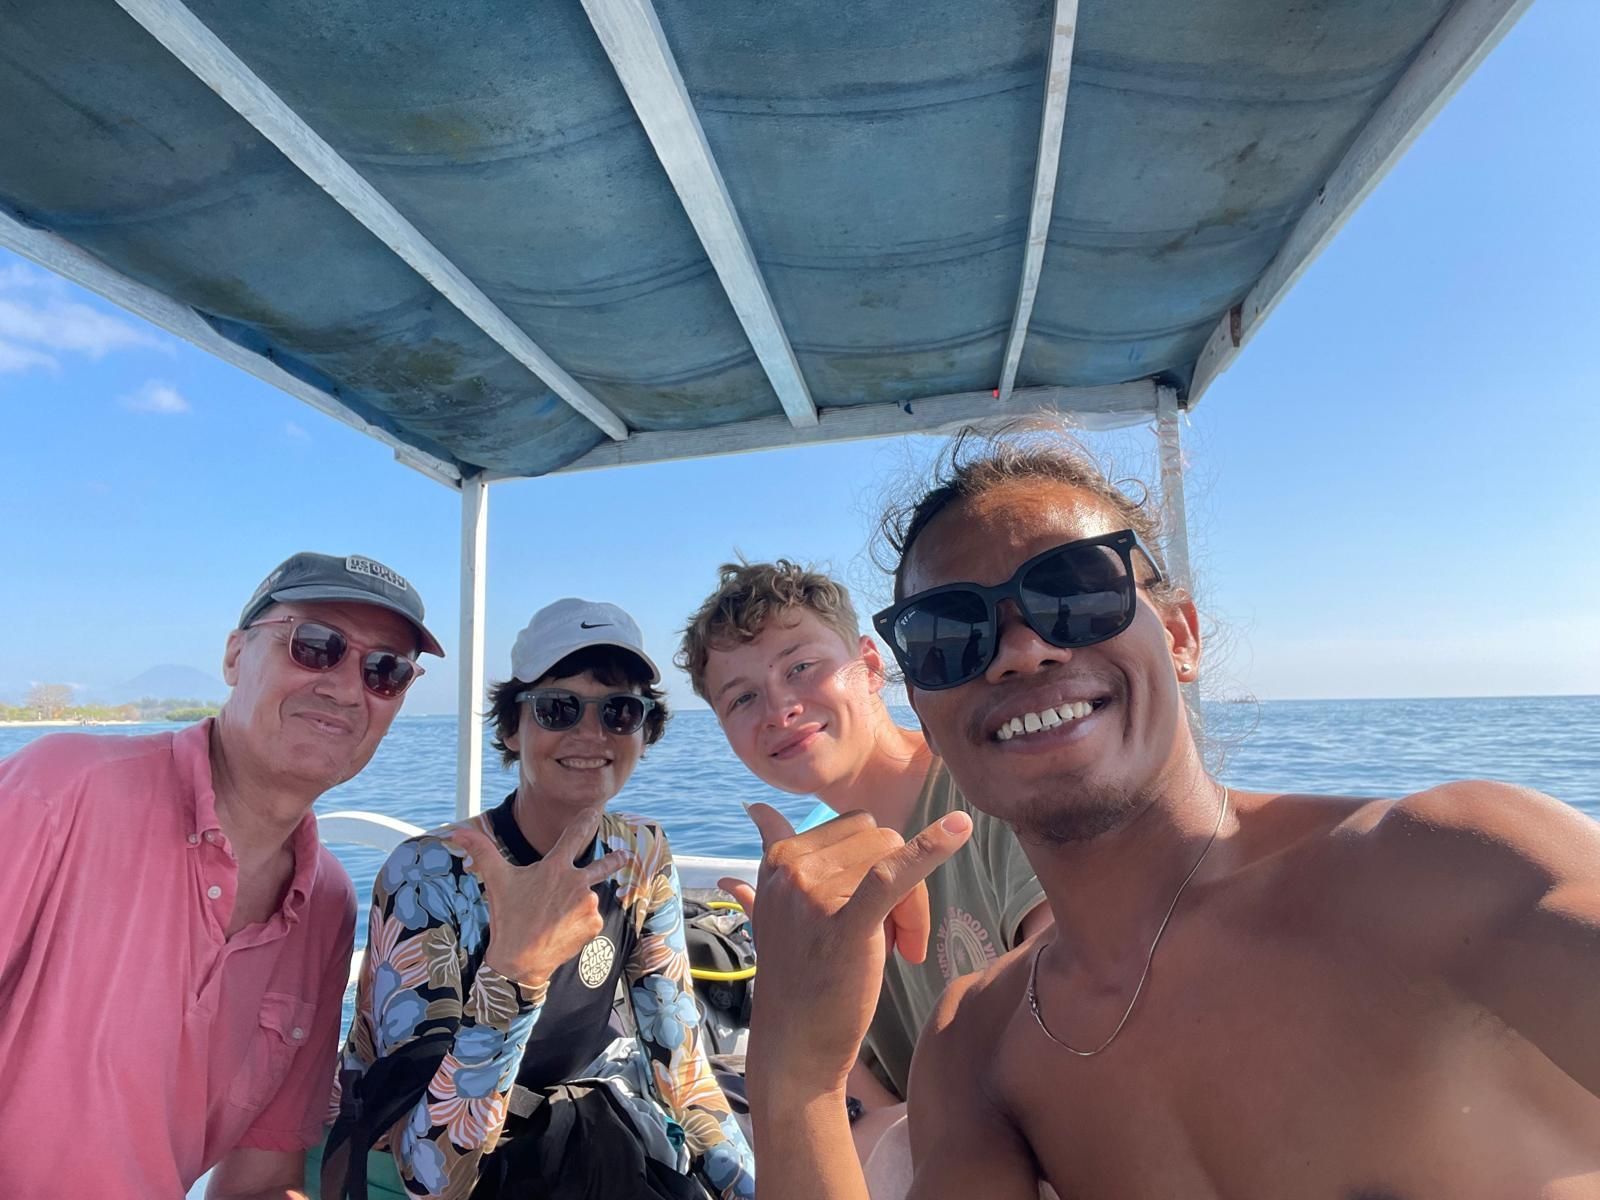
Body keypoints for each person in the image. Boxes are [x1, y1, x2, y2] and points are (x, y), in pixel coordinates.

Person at [725, 426, 1600, 1199]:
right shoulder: (977, 1048)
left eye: (1074, 589)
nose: (1022, 650)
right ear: (923, 699)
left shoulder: (1443, 867)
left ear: (1180, 635)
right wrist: (794, 1066)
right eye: (950, 633)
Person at [0, 550, 443, 1199]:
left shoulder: (327, 904)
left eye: (385, 671)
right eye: (315, 646)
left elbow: (260, 1179)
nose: (347, 688)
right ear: (235, 655)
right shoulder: (61, 792)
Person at [327, 599, 755, 1200]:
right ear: (511, 727)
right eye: (558, 708)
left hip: (569, 1139)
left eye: (619, 711)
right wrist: (516, 970)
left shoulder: (641, 855)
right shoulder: (430, 878)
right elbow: (426, 1170)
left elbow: (681, 1069)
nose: (590, 733)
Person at [677, 561, 1051, 1161]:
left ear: (872, 666)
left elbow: (1086, 995)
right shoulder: (810, 872)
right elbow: (864, 1097)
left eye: (801, 667)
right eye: (742, 697)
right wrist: (791, 994)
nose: (778, 709)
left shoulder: (990, 788)